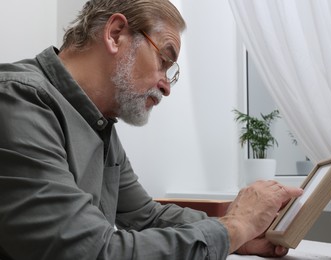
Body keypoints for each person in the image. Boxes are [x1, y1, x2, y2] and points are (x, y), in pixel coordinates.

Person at [0, 0, 303, 259]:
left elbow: (146, 216)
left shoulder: (99, 124)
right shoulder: (19, 98)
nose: (166, 86)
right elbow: (92, 251)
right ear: (116, 34)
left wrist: (243, 233)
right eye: (164, 60)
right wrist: (235, 227)